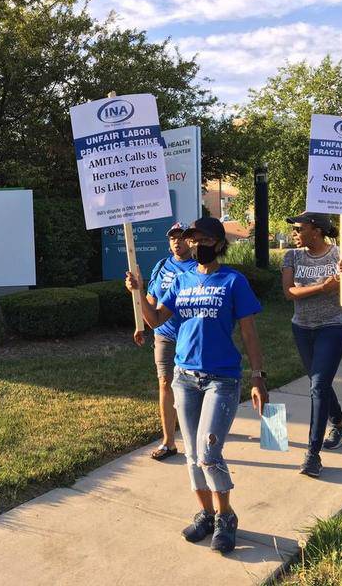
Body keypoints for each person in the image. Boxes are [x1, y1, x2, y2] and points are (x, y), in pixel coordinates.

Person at [125, 217, 268, 554]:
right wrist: (138, 291)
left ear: (218, 244)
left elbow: (248, 332)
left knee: (208, 452)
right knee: (191, 454)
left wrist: (258, 376)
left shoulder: (234, 281)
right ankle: (205, 513)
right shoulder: (183, 278)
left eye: (202, 239)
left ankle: (226, 516)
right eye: (193, 239)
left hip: (222, 378)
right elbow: (157, 318)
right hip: (185, 376)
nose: (195, 244)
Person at [282, 212, 342, 478]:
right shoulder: (292, 256)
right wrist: (323, 287)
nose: (295, 232)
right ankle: (340, 424)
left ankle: (312, 454)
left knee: (318, 385)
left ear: (316, 230)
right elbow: (289, 293)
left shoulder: (341, 255)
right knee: (318, 384)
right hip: (302, 327)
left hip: (333, 326)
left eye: (299, 227)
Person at [133, 222, 197, 460]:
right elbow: (150, 300)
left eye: (181, 238)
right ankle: (169, 441)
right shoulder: (161, 266)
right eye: (172, 238)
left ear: (190, 241)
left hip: (190, 336)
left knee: (191, 387)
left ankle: (197, 433)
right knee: (165, 382)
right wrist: (141, 325)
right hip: (164, 334)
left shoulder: (197, 268)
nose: (177, 242)